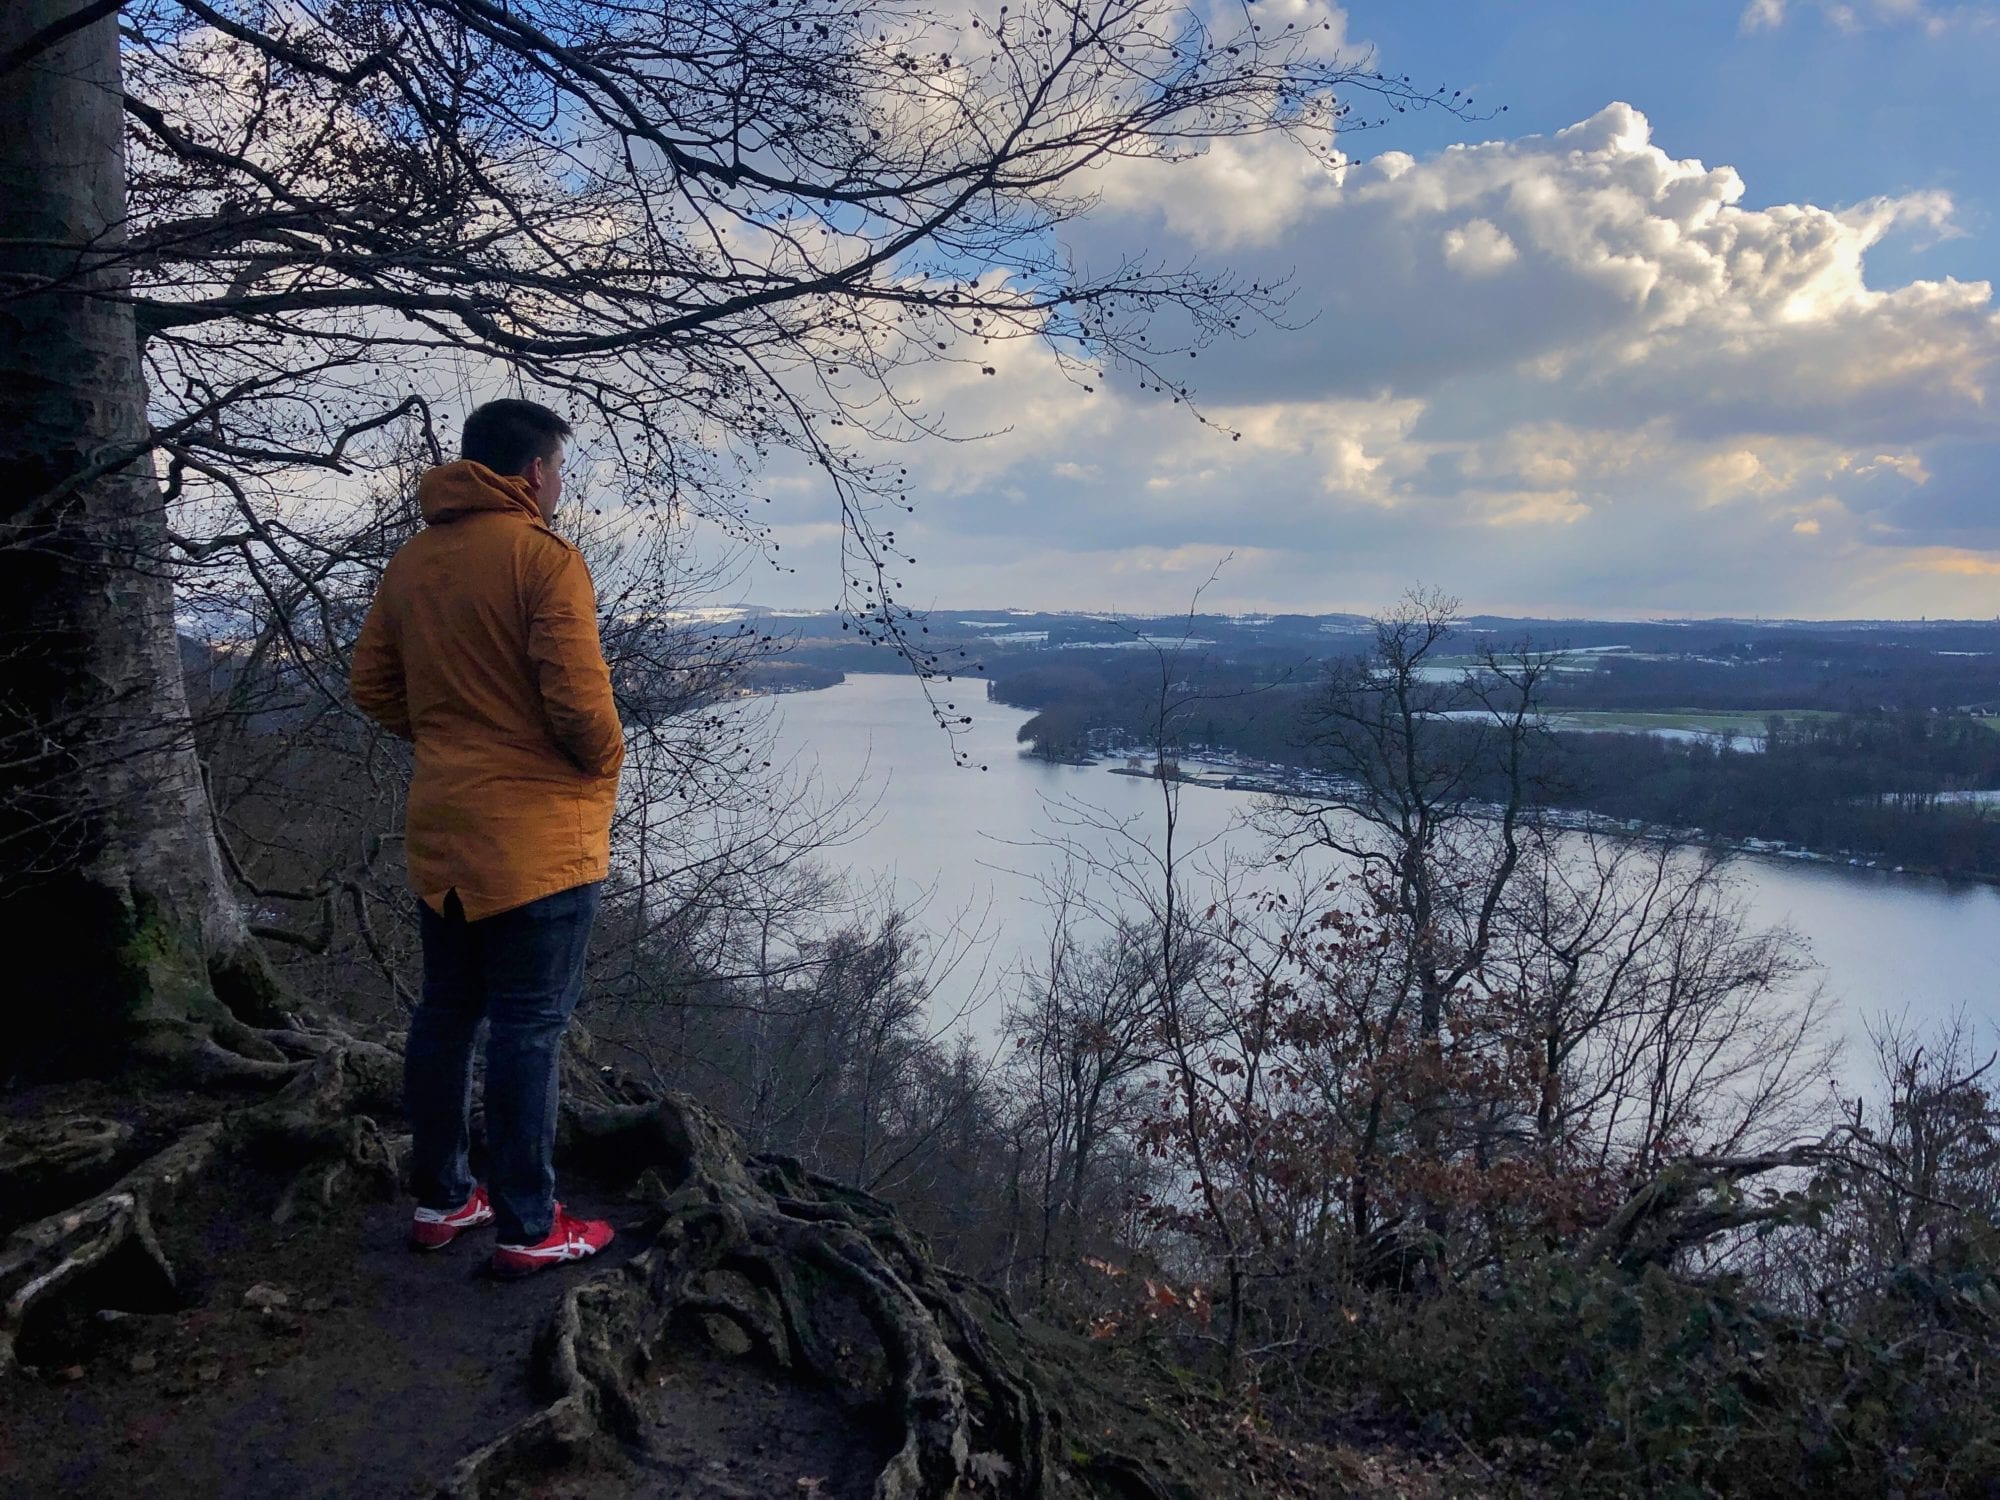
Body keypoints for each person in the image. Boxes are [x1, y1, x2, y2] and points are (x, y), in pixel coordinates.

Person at [350, 399, 623, 1277]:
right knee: (529, 1029)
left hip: (446, 826)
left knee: (445, 1015)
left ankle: (441, 1197)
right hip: (538, 837)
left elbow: (374, 686)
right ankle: (529, 1224)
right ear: (535, 472)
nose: (559, 487)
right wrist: (602, 764)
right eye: (558, 471)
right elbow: (582, 708)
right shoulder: (544, 561)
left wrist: (446, 741)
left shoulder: (414, 562)